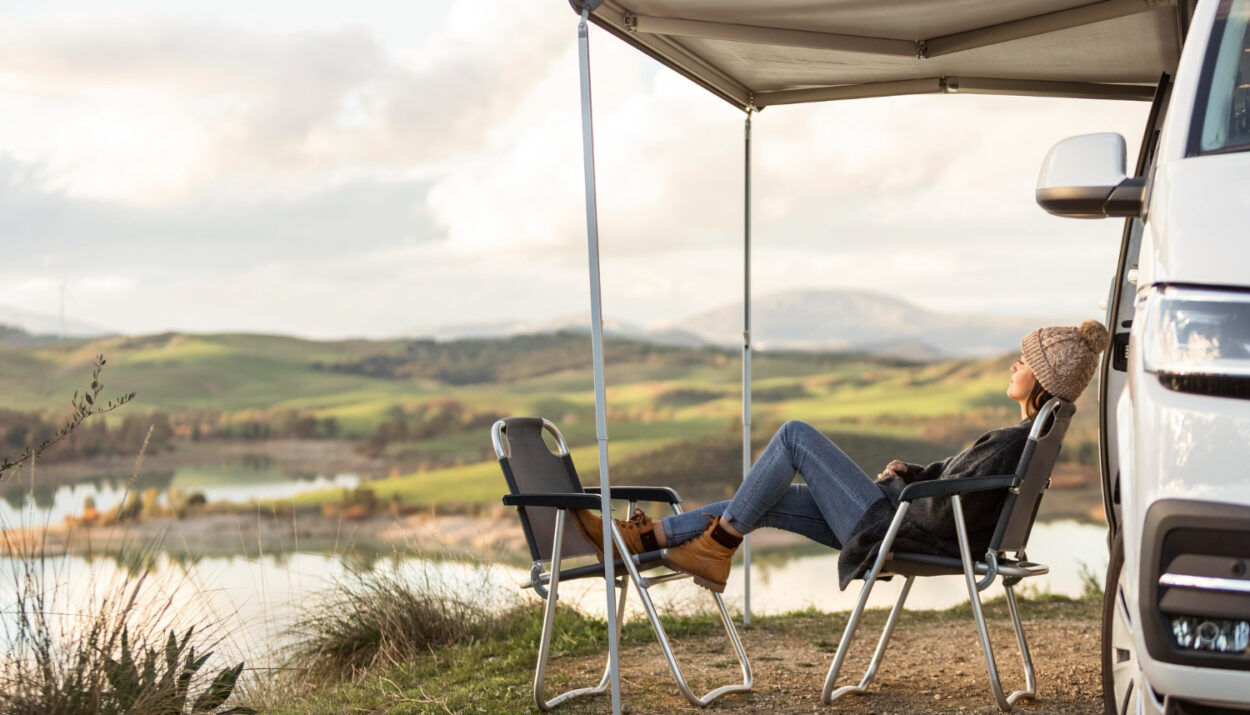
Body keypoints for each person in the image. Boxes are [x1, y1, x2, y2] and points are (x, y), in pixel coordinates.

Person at [571, 321, 1110, 593]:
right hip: (899, 516)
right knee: (766, 495)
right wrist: (913, 473)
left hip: (894, 526)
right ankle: (644, 540)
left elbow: (945, 510)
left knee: (794, 436)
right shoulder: (1027, 438)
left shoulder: (1013, 441)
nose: (1013, 364)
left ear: (1041, 378)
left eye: (1023, 359)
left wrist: (902, 490)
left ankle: (717, 545)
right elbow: (956, 489)